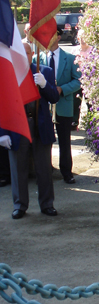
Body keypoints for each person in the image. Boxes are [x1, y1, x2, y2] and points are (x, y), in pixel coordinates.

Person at [0, 41, 59, 219]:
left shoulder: (45, 71)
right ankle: (20, 205)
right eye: (20, 53)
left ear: (32, 55)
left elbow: (54, 97)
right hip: (18, 126)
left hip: (40, 125)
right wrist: (3, 132)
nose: (23, 56)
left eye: (26, 53)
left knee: (44, 169)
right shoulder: (8, 74)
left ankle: (47, 204)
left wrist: (45, 85)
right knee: (18, 168)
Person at [38, 34, 81, 184]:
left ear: (58, 37)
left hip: (63, 105)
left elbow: (78, 80)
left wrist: (62, 89)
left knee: (64, 141)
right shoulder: (39, 58)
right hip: (45, 106)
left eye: (52, 35)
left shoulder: (69, 57)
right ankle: (45, 171)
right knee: (44, 141)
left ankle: (67, 172)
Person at [72, 29, 93, 130]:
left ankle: (91, 123)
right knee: (76, 101)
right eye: (81, 37)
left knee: (90, 103)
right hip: (77, 80)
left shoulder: (92, 50)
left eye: (85, 37)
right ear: (78, 38)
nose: (83, 39)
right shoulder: (74, 51)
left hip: (89, 80)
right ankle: (74, 122)